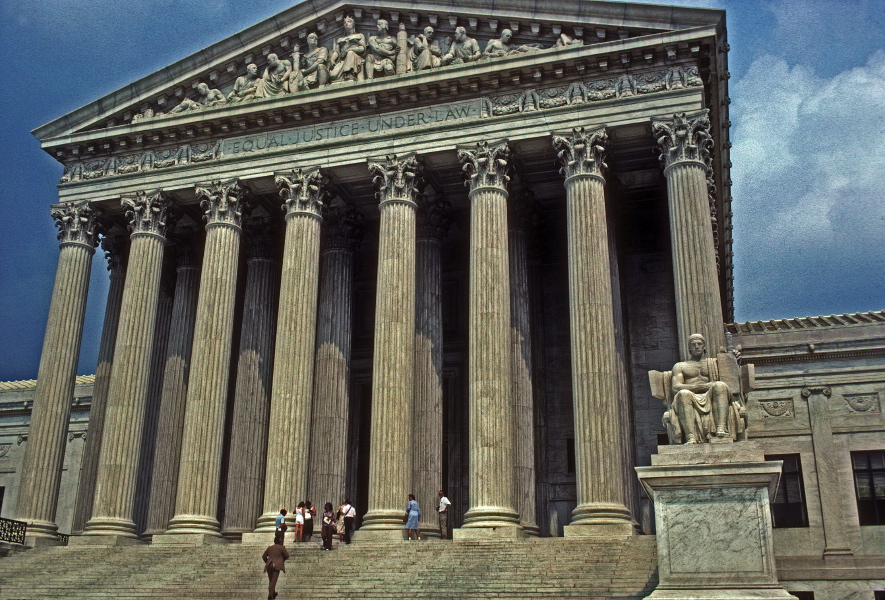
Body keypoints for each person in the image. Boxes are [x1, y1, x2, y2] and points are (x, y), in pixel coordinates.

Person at [668, 334, 745, 443]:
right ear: (689, 348)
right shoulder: (680, 366)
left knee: (720, 385)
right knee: (683, 394)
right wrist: (698, 387)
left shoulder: (716, 363)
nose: (696, 346)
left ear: (704, 347)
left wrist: (734, 361)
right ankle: (691, 436)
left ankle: (721, 428)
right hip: (691, 397)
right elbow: (676, 388)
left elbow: (731, 379)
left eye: (699, 344)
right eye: (693, 344)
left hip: (712, 395)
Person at [330, 16, 366, 82]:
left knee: (350, 53)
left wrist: (349, 50)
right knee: (333, 75)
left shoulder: (359, 35)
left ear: (353, 24)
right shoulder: (340, 39)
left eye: (349, 21)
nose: (346, 24)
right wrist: (332, 59)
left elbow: (362, 48)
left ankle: (349, 75)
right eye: (345, 23)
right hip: (342, 60)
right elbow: (337, 51)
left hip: (355, 58)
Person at [262, 532, 289, 600]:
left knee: (271, 580)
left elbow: (264, 556)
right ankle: (270, 596)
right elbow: (287, 555)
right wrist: (281, 560)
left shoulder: (269, 548)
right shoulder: (281, 547)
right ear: (280, 541)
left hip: (269, 565)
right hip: (276, 565)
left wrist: (267, 561)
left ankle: (273, 593)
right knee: (273, 581)